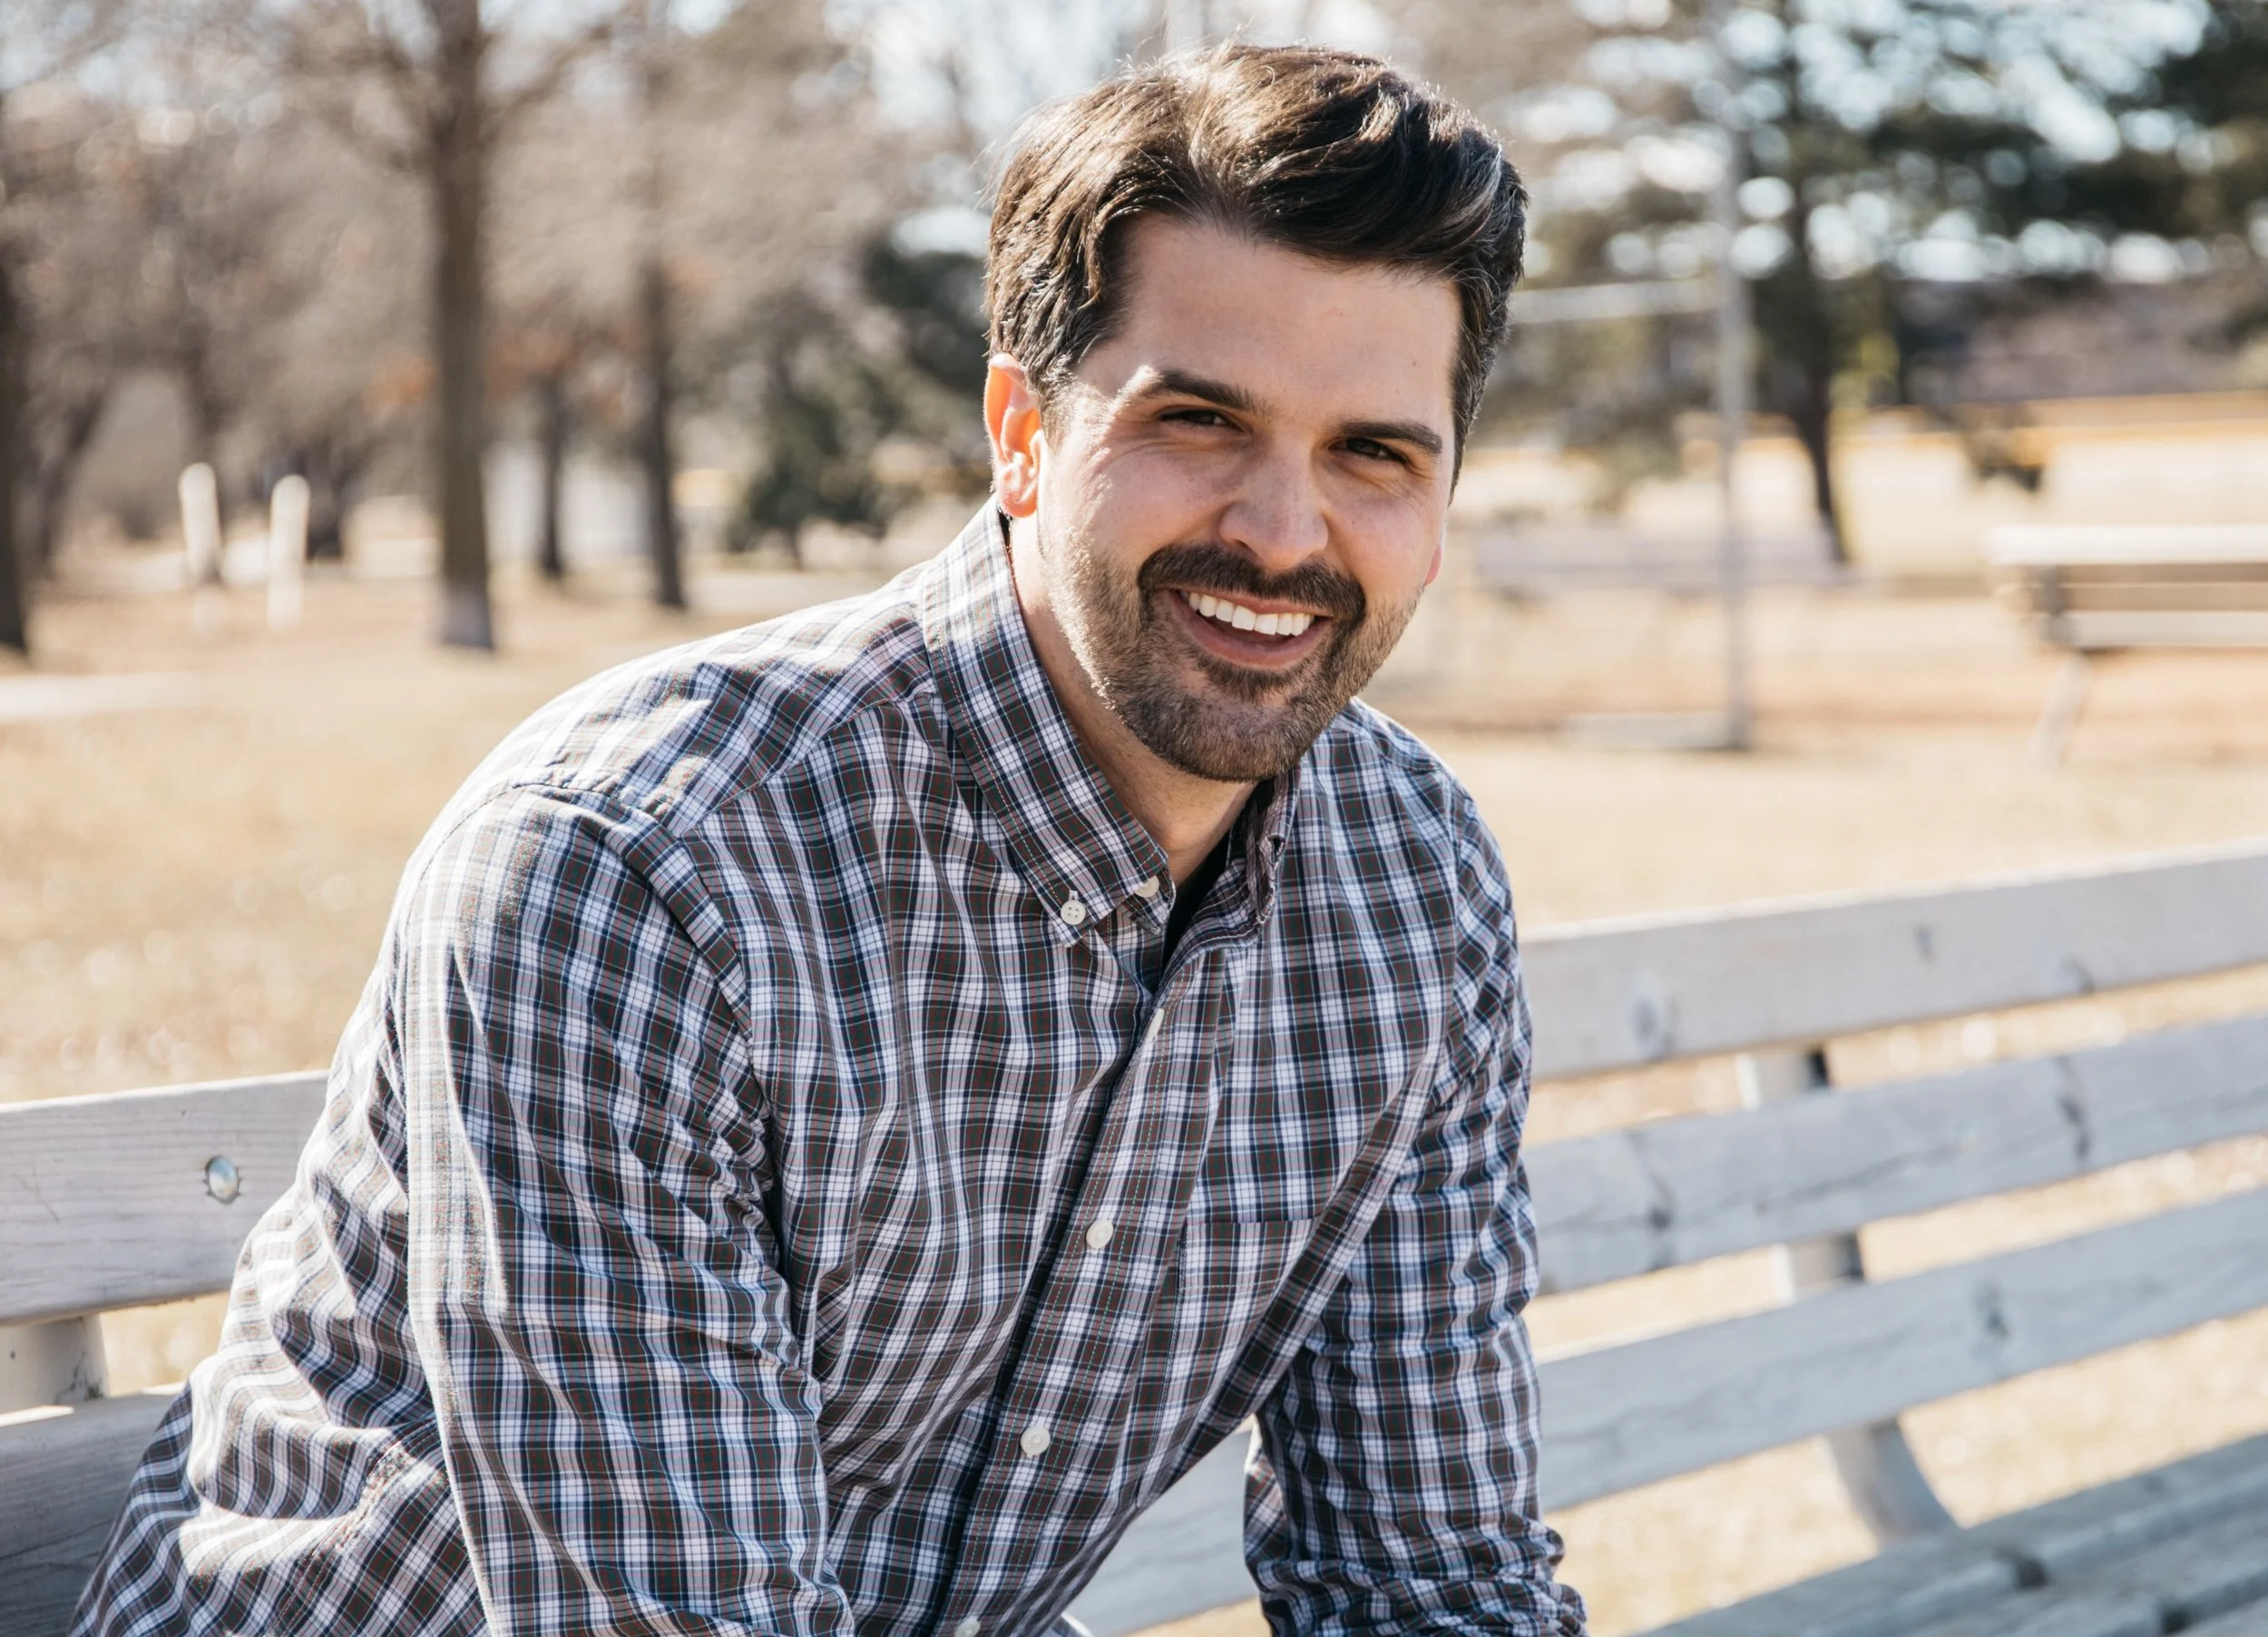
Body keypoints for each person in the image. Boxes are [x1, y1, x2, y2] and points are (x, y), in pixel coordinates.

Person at [75, 43, 1587, 1637]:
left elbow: (1431, 1574)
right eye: (1201, 420)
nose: (1284, 533)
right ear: (1019, 432)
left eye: (1375, 451)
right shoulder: (638, 869)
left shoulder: (1407, 890)